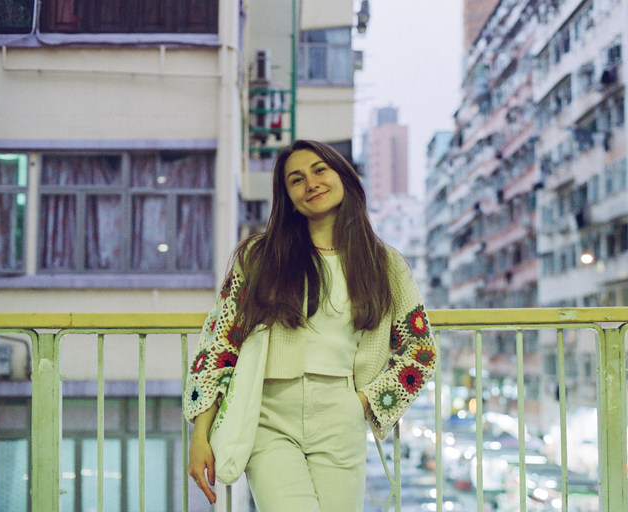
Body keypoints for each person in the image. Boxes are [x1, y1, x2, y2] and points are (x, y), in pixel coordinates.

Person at [183, 140, 437, 511]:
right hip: (269, 416)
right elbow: (220, 345)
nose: (311, 184)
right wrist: (199, 435)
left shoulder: (385, 264)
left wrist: (361, 403)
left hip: (340, 413)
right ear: (288, 197)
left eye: (320, 170)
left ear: (342, 176)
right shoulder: (258, 258)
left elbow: (421, 351)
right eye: (296, 179)